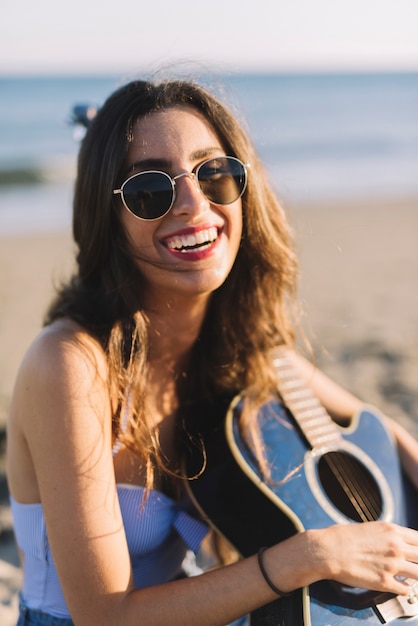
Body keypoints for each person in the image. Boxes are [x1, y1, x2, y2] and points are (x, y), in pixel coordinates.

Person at [6, 77, 418, 626]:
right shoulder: (69, 365)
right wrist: (309, 555)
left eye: (214, 173)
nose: (195, 204)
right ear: (110, 218)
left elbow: (381, 433)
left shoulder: (233, 351)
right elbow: (105, 615)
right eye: (150, 190)